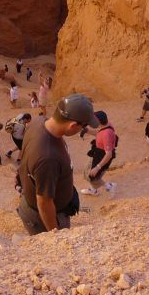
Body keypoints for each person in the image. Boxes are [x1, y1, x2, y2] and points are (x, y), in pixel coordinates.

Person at [16, 94, 99, 235]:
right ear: (73, 125)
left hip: (46, 207)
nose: (83, 129)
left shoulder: (38, 122)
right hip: (44, 219)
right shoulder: (48, 157)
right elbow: (44, 202)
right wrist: (56, 236)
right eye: (84, 126)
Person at [80, 111, 118, 196]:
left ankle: (109, 186)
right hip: (98, 153)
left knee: (91, 177)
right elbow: (98, 133)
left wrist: (97, 167)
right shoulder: (106, 125)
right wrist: (86, 130)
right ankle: (94, 190)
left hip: (102, 157)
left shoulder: (106, 134)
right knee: (89, 173)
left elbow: (109, 154)